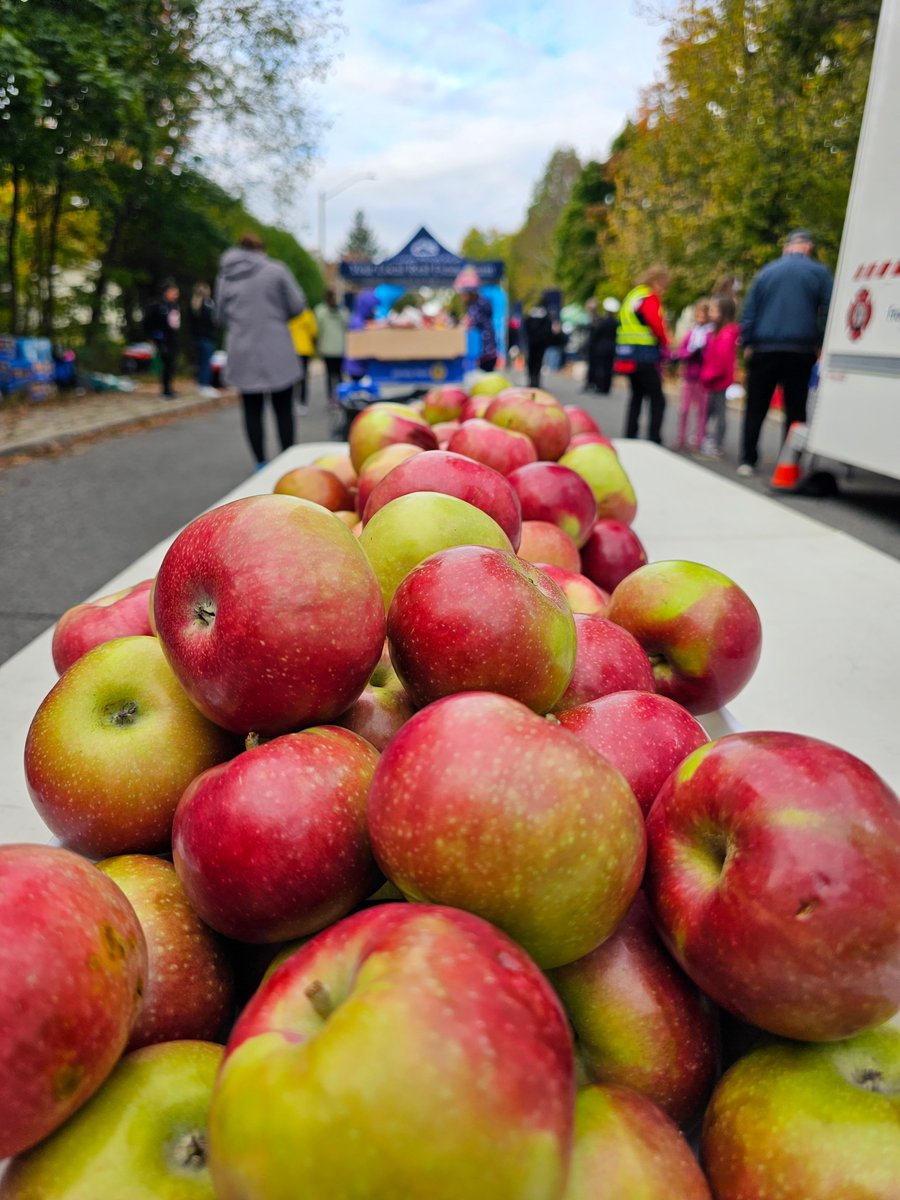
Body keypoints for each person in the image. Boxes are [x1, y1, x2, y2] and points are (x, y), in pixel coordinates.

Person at [738, 229, 833, 476]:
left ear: (787, 247)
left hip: (764, 347)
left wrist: (748, 342)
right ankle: (788, 461)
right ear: (808, 247)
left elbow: (750, 311)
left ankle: (748, 460)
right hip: (800, 350)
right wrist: (821, 342)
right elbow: (830, 309)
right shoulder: (819, 272)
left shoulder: (766, 272)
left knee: (756, 406)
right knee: (796, 408)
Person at [214, 231, 306, 468]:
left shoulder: (225, 276)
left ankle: (260, 463)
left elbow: (219, 316)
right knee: (283, 407)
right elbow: (297, 305)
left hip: (241, 348)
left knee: (251, 409)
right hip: (276, 346)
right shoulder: (276, 270)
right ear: (261, 249)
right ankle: (289, 461)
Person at [615, 265, 671, 444]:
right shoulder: (648, 297)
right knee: (658, 398)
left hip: (627, 355)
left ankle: (630, 433)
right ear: (656, 282)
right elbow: (656, 324)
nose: (663, 290)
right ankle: (654, 437)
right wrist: (666, 343)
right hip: (644, 355)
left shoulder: (634, 295)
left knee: (637, 395)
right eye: (663, 286)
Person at [699, 294, 740, 459]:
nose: (710, 313)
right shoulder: (717, 332)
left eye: (714, 310)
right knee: (709, 411)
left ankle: (716, 443)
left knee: (718, 412)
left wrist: (707, 375)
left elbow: (721, 360)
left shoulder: (727, 333)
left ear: (724, 312)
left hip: (717, 380)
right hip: (712, 379)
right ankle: (707, 437)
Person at [672, 299, 712, 451]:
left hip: (702, 378)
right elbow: (682, 350)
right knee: (684, 409)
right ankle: (681, 438)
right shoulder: (691, 333)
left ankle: (698, 440)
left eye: (703, 315)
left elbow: (711, 355)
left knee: (702, 410)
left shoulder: (709, 334)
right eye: (698, 315)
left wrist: (702, 354)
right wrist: (690, 354)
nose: (700, 318)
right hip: (689, 375)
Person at [143, 279, 181, 398]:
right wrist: (154, 335)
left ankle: (169, 387)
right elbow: (147, 321)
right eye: (173, 291)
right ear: (166, 292)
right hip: (161, 338)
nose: (175, 294)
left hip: (172, 338)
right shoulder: (156, 305)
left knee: (172, 363)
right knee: (166, 361)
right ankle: (165, 389)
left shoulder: (173, 306)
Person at [314, 289, 349, 408]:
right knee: (339, 374)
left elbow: (318, 329)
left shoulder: (320, 311)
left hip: (327, 347)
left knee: (329, 375)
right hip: (340, 347)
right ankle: (341, 398)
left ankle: (331, 399)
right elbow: (347, 326)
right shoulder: (343, 311)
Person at [189, 283, 218, 399]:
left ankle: (201, 384)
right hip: (207, 338)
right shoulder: (208, 305)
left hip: (197, 338)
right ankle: (205, 385)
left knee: (201, 363)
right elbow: (213, 322)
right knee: (206, 363)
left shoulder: (194, 304)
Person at [584, 297, 619, 394]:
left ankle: (600, 387)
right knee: (609, 368)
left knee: (600, 368)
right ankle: (606, 388)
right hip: (612, 348)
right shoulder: (616, 322)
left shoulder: (602, 322)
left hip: (600, 348)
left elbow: (596, 335)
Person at [344, 290, 380, 381]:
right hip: (357, 366)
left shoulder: (358, 318)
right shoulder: (357, 322)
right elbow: (362, 342)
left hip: (359, 365)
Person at [289, 304, 318, 413]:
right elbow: (313, 330)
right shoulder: (306, 313)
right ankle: (303, 403)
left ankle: (292, 401)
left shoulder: (287, 313)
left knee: (291, 378)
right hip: (305, 348)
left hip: (291, 348)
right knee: (303, 377)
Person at [463, 288, 497, 372]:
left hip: (484, 348)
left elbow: (475, 321)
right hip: (485, 347)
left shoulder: (477, 305)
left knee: (485, 372)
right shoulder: (476, 304)